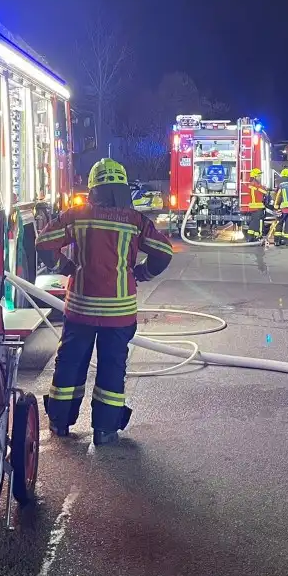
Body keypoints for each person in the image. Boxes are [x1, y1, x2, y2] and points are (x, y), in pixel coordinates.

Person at [36, 158, 175, 445]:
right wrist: (142, 272)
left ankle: (60, 423)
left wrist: (65, 267)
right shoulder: (136, 221)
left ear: (93, 187)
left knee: (71, 364)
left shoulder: (76, 215)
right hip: (119, 312)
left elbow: (43, 242)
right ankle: (105, 430)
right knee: (112, 367)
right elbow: (163, 252)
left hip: (81, 309)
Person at [243, 167, 268, 242]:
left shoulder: (251, 184)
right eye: (259, 176)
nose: (260, 177)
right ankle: (256, 236)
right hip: (257, 206)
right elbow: (265, 192)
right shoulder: (256, 185)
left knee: (254, 222)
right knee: (258, 223)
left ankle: (251, 237)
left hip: (253, 207)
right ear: (255, 177)